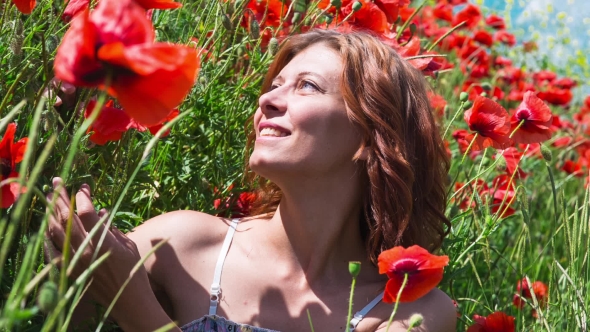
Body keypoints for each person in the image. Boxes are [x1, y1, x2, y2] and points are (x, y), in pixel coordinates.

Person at [46, 29, 457, 331]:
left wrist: (138, 310)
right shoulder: (183, 243)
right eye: (274, 85)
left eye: (306, 86)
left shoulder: (413, 311)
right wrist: (68, 260)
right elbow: (64, 319)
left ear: (370, 137)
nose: (266, 99)